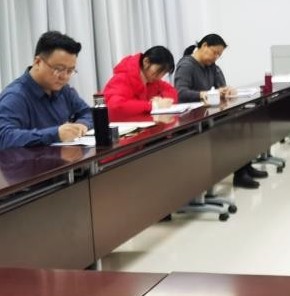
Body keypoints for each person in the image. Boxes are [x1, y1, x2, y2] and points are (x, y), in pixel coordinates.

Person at [173, 34, 266, 189]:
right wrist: (202, 94)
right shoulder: (187, 65)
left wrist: (226, 90)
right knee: (233, 129)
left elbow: (220, 86)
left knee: (243, 121)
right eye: (214, 52)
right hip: (193, 119)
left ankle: (245, 166)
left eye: (219, 55)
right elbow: (180, 93)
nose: (216, 57)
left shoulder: (211, 66)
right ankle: (240, 173)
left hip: (209, 114)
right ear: (204, 45)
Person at [0, 31, 93, 149]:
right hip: (31, 160)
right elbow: (4, 138)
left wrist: (81, 125)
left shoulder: (63, 89)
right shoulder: (15, 96)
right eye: (59, 69)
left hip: (62, 157)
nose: (65, 77)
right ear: (37, 62)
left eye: (70, 71)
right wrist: (55, 134)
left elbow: (88, 113)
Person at [103, 46, 178, 121]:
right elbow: (115, 107)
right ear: (146, 62)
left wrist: (161, 100)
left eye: (163, 74)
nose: (159, 77)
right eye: (158, 72)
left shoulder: (152, 80)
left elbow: (172, 91)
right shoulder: (121, 79)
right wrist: (153, 105)